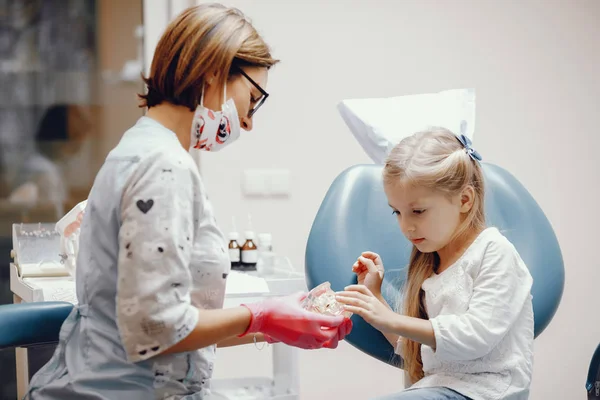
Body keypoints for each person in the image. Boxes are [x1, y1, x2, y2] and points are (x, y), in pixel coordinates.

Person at [26, 4, 351, 399]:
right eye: (254, 97)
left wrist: (274, 323)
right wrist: (262, 314)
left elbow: (163, 328)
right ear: (214, 71)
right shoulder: (165, 167)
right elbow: (154, 329)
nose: (249, 121)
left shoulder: (138, 147)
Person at [336, 128, 534, 400]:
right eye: (397, 212)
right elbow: (417, 350)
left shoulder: (494, 252)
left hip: (487, 392)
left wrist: (392, 318)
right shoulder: (431, 262)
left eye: (417, 211)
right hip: (440, 388)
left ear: (464, 200)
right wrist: (376, 298)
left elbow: (475, 337)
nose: (406, 226)